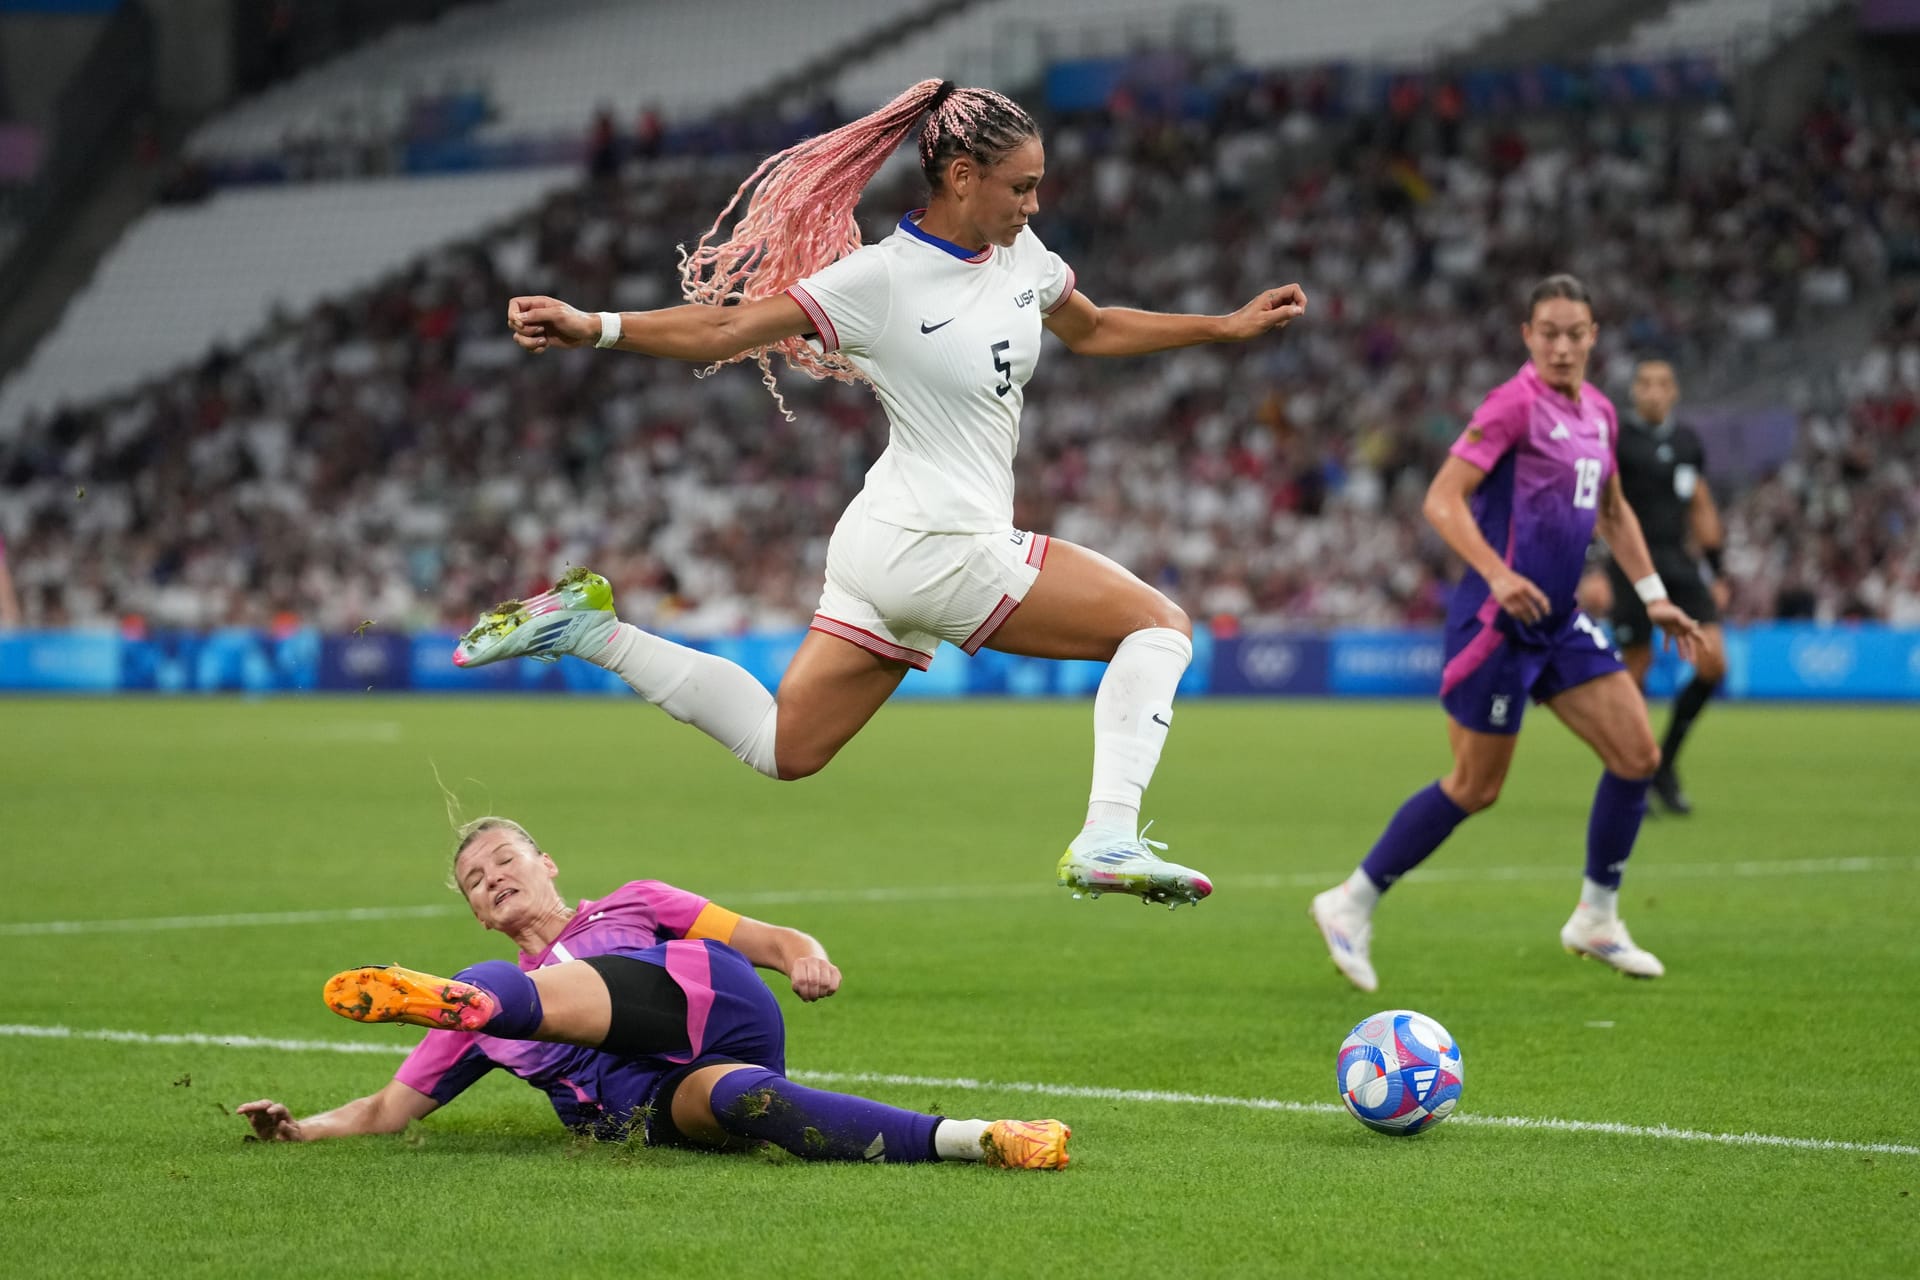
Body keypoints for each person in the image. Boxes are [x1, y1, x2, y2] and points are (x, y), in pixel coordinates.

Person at [461, 79, 1309, 908]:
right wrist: (595, 326)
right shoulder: (882, 279)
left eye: (1039, 186)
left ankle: (590, 630)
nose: (1034, 205)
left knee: (783, 746)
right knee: (1160, 626)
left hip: (884, 542)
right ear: (962, 177)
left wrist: (1222, 326)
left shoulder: (1022, 257)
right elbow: (726, 327)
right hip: (942, 545)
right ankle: (1108, 836)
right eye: (1022, 186)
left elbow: (1090, 325)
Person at [237, 816, 1070, 1170]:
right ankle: (983, 1138)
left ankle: (494, 1002)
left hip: (717, 1007)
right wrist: (300, 1129)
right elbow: (388, 1109)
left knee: (522, 995)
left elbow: (764, 941)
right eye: (474, 882)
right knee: (752, 1105)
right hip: (659, 1093)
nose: (492, 879)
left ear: (547, 864)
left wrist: (807, 956)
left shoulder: (635, 903)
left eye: (504, 861)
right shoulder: (480, 1010)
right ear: (475, 913)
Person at [1308, 275, 1703, 991]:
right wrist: (1495, 573)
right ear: (1528, 336)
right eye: (1547, 332)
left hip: (1558, 620)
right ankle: (1349, 902)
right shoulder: (1512, 405)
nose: (1560, 345)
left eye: (1573, 332)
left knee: (1638, 753)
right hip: (1497, 623)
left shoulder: (1601, 416)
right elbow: (1442, 499)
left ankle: (1597, 917)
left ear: (1593, 337)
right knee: (1475, 786)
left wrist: (1654, 596)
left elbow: (1613, 513)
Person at [1606, 358, 1728, 815]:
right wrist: (1596, 567)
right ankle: (1633, 774)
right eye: (1644, 383)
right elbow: (1602, 506)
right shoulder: (1617, 440)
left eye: (1662, 384)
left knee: (1714, 663)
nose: (1653, 391)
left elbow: (1700, 503)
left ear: (1674, 392)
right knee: (1634, 669)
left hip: (1677, 561)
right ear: (1634, 390)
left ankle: (1665, 765)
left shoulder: (1687, 442)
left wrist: (1717, 570)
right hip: (1630, 564)